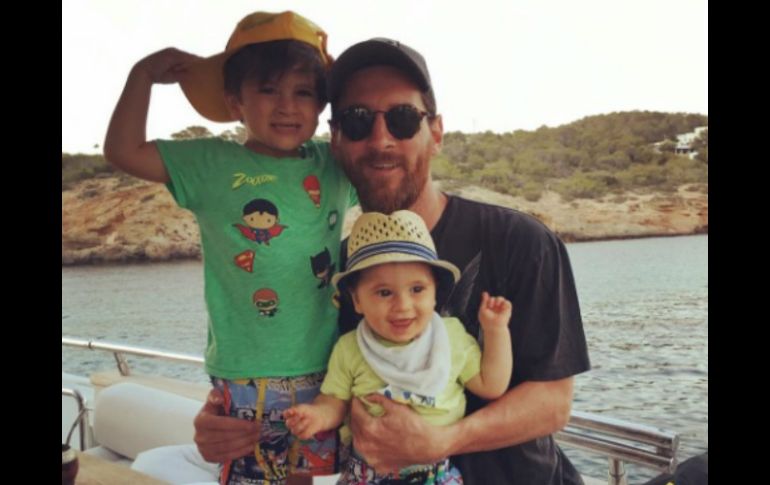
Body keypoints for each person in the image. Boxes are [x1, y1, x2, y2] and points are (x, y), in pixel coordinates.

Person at [193, 37, 591, 485]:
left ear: (435, 133)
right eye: (357, 121)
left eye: (403, 119)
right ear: (335, 140)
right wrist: (224, 422)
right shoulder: (334, 271)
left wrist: (442, 441)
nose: (380, 139)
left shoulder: (522, 242)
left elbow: (553, 403)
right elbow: (316, 387)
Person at [103, 10, 358, 485]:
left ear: (323, 105)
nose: (287, 106)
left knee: (307, 478)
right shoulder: (210, 163)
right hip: (246, 369)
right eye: (269, 89)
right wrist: (142, 75)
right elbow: (122, 151)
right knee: (251, 476)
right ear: (235, 100)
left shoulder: (333, 162)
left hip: (328, 364)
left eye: (304, 92)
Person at [284, 210, 513, 484]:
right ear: (357, 301)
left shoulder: (450, 336)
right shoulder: (350, 347)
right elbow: (335, 401)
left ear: (435, 294)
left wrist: (496, 331)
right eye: (384, 293)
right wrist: (316, 416)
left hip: (435, 474)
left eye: (417, 289)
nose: (402, 306)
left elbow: (491, 385)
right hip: (366, 475)